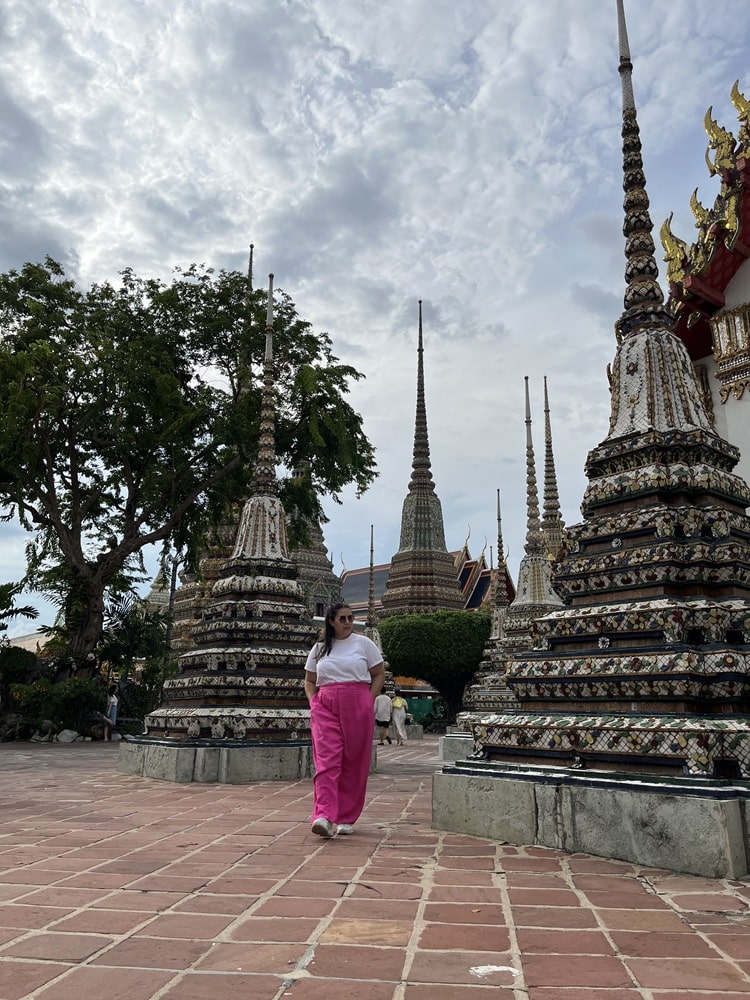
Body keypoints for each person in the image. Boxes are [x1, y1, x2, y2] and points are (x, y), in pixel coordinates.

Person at [304, 603, 385, 838]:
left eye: (350, 618)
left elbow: (378, 674)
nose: (348, 622)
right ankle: (324, 815)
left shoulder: (364, 644)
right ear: (331, 621)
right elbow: (309, 680)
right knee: (327, 761)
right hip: (326, 704)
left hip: (357, 703)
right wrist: (314, 703)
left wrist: (369, 701)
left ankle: (346, 816)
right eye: (343, 619)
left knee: (353, 760)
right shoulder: (319, 648)